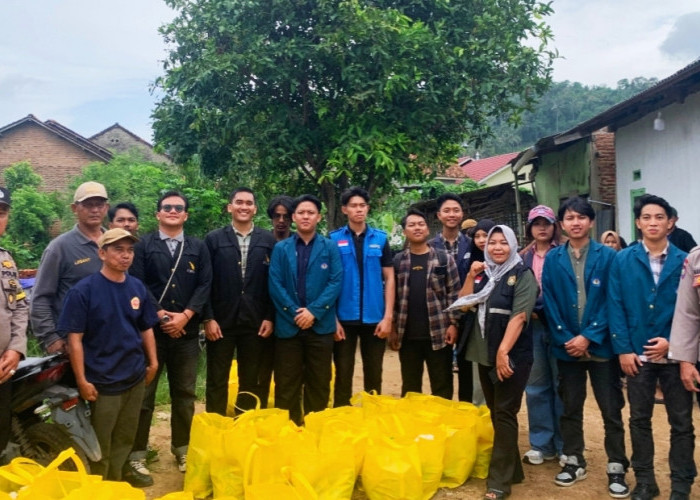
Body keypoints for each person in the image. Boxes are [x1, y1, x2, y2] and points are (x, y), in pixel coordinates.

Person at [542, 197, 629, 498]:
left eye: (581, 217)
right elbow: (549, 302)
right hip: (566, 347)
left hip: (601, 348)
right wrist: (568, 337)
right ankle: (573, 459)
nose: (575, 222)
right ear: (562, 224)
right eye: (569, 218)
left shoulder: (609, 257)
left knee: (611, 409)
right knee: (570, 407)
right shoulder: (553, 259)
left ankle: (616, 465)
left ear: (591, 222)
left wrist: (589, 336)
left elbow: (613, 300)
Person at [609, 194, 695, 500]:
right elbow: (615, 305)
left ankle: (681, 485)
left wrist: (674, 344)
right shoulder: (622, 260)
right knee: (639, 419)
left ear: (670, 223)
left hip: (676, 356)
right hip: (637, 355)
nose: (653, 223)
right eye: (646, 217)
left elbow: (692, 310)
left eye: (659, 217)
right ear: (637, 223)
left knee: (682, 423)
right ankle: (645, 481)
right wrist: (623, 349)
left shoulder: (686, 260)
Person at [58, 228, 158, 485]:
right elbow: (75, 340)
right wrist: (82, 379)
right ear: (101, 253)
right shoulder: (84, 291)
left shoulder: (137, 287)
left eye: (129, 250)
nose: (125, 256)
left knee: (125, 436)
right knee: (101, 441)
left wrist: (153, 362)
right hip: (103, 381)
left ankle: (116, 484)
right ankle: (99, 486)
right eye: (118, 249)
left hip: (134, 376)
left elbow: (145, 327)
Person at [127, 191, 212, 480]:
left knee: (185, 394)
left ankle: (183, 447)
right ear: (158, 214)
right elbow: (138, 284)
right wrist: (162, 315)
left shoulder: (198, 247)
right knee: (145, 394)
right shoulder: (143, 246)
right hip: (153, 333)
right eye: (167, 207)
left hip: (187, 334)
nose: (173, 211)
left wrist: (186, 315)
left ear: (186, 215)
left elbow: (205, 284)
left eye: (179, 208)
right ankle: (137, 453)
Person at [453, 225, 537, 500]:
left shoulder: (523, 275)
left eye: (503, 243)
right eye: (493, 243)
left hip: (512, 354)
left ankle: (499, 481)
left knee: (504, 411)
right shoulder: (484, 274)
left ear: (512, 245)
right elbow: (463, 303)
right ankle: (513, 471)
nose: (497, 248)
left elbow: (519, 317)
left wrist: (503, 352)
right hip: (483, 351)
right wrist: (470, 274)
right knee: (495, 410)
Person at [268, 194, 342, 425]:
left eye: (311, 212)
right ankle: (288, 433)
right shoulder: (281, 248)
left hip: (320, 327)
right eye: (301, 212)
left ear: (318, 217)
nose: (306, 216)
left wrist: (314, 312)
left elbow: (335, 281)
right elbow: (275, 283)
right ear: (294, 217)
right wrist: (294, 312)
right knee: (286, 383)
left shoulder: (329, 247)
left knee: (319, 382)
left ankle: (314, 431)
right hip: (288, 327)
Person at [204, 188, 276, 414]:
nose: (244, 207)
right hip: (221, 321)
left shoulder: (268, 240)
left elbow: (276, 282)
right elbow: (204, 282)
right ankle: (216, 426)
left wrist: (270, 316)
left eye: (249, 203)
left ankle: (244, 425)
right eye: (239, 202)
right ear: (230, 207)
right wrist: (208, 318)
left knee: (250, 378)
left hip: (255, 321)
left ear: (255, 209)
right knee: (217, 378)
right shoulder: (214, 239)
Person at [330, 187, 394, 406]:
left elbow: (390, 277)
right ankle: (341, 416)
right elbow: (328, 281)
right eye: (353, 206)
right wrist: (333, 319)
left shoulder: (381, 239)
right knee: (343, 372)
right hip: (343, 318)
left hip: (374, 317)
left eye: (362, 205)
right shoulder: (333, 239)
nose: (358, 210)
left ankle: (372, 416)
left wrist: (388, 317)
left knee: (374, 372)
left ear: (367, 208)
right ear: (345, 209)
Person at [30, 181, 109, 354]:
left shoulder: (115, 243)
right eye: (88, 205)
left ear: (107, 207)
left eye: (99, 204)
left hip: (110, 342)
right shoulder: (59, 247)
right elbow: (40, 297)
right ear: (74, 208)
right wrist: (51, 338)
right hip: (72, 344)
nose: (95, 210)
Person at [390, 209, 460, 400]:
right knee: (411, 387)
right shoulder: (398, 261)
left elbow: (454, 293)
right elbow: (392, 298)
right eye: (411, 225)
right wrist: (393, 327)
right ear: (405, 231)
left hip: (439, 333)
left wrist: (453, 324)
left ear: (428, 229)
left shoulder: (444, 259)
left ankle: (442, 427)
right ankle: (414, 427)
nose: (417, 228)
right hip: (408, 335)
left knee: (442, 385)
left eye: (421, 224)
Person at [520, 205, 564, 466]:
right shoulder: (522, 258)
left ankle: (564, 444)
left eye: (546, 223)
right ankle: (540, 444)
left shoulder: (564, 255)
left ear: (554, 226)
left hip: (559, 327)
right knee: (536, 386)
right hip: (532, 327)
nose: (542, 228)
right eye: (536, 223)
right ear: (530, 228)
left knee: (561, 386)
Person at [430, 193, 472, 402]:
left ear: (462, 214)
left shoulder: (473, 245)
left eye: (456, 210)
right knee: (441, 371)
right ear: (439, 215)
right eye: (447, 211)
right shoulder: (429, 246)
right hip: (439, 317)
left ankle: (466, 414)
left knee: (467, 370)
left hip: (469, 316)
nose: (452, 215)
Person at [0, 188, 28, 464]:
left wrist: (17, 349)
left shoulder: (5, 259)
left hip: (3, 369)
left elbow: (19, 305)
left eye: (2, 213)